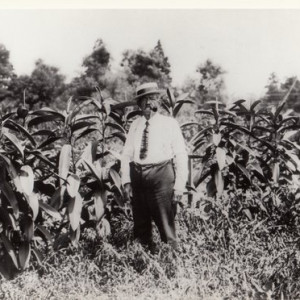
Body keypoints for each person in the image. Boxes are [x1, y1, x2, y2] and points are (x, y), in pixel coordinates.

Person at [121, 82, 188, 250]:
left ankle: (173, 263)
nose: (149, 103)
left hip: (161, 177)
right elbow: (126, 154)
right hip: (138, 178)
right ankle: (143, 261)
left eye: (152, 99)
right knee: (141, 226)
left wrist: (180, 186)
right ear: (139, 104)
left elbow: (180, 154)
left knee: (165, 224)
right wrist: (126, 182)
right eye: (144, 100)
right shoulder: (135, 126)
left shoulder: (169, 124)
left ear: (158, 100)